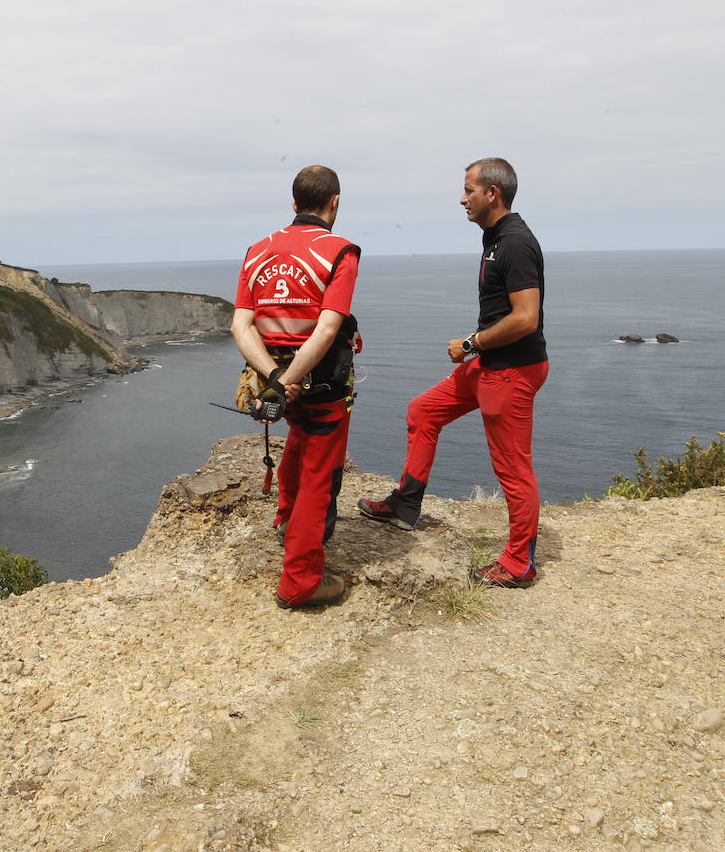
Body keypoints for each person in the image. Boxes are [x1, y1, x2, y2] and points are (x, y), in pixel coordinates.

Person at [358, 158, 548, 588]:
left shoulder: (515, 242)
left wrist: (470, 344)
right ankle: (406, 506)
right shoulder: (495, 239)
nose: (462, 199)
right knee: (423, 411)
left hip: (510, 373)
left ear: (492, 193)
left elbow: (525, 319)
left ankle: (520, 562)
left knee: (513, 468)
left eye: (468, 190)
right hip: (490, 366)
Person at [231, 165, 361, 609]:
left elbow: (240, 324)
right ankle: (301, 581)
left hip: (271, 380)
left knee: (298, 442)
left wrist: (272, 378)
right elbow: (326, 329)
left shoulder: (257, 249)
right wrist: (289, 380)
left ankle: (285, 517)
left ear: (293, 204)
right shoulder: (341, 252)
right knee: (320, 475)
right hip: (319, 382)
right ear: (334, 203)